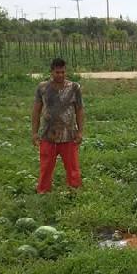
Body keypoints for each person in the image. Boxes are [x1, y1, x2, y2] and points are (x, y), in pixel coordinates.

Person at [31, 58, 84, 194]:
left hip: (69, 135)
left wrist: (80, 132)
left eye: (62, 72)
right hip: (47, 135)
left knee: (73, 168)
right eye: (57, 72)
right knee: (46, 168)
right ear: (51, 72)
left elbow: (79, 110)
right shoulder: (42, 88)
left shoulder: (74, 88)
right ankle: (43, 192)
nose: (60, 75)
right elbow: (36, 111)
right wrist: (35, 133)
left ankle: (74, 192)